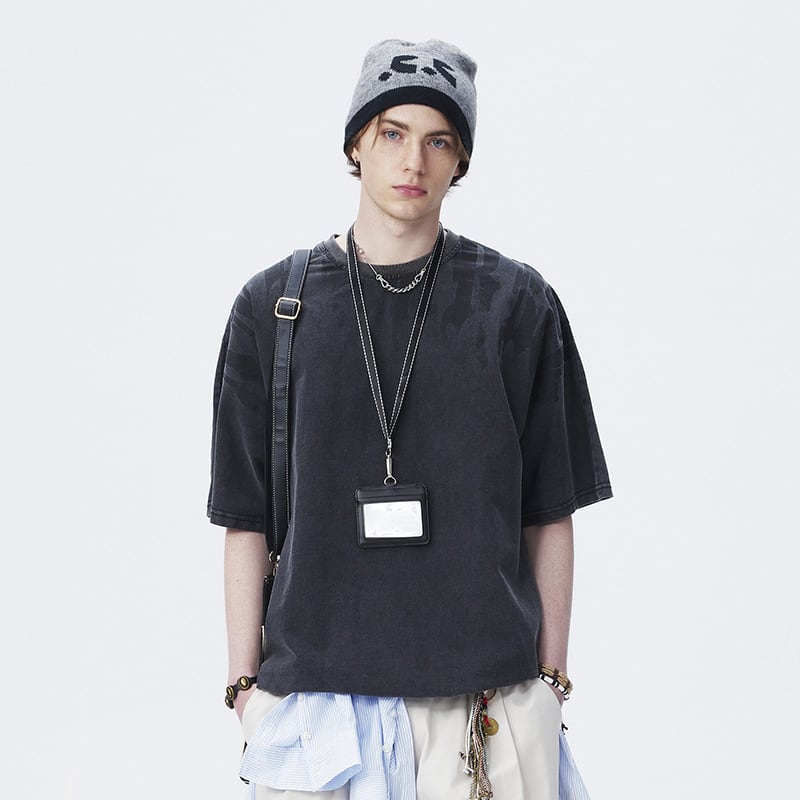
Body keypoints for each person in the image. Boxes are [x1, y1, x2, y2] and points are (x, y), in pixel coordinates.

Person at [208, 38, 612, 800]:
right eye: (392, 132)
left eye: (439, 141)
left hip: (483, 711)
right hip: (317, 712)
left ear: (460, 161)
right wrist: (245, 691)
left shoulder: (515, 304)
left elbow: (550, 509)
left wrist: (551, 684)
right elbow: (243, 517)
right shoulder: (273, 309)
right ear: (355, 143)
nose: (413, 161)